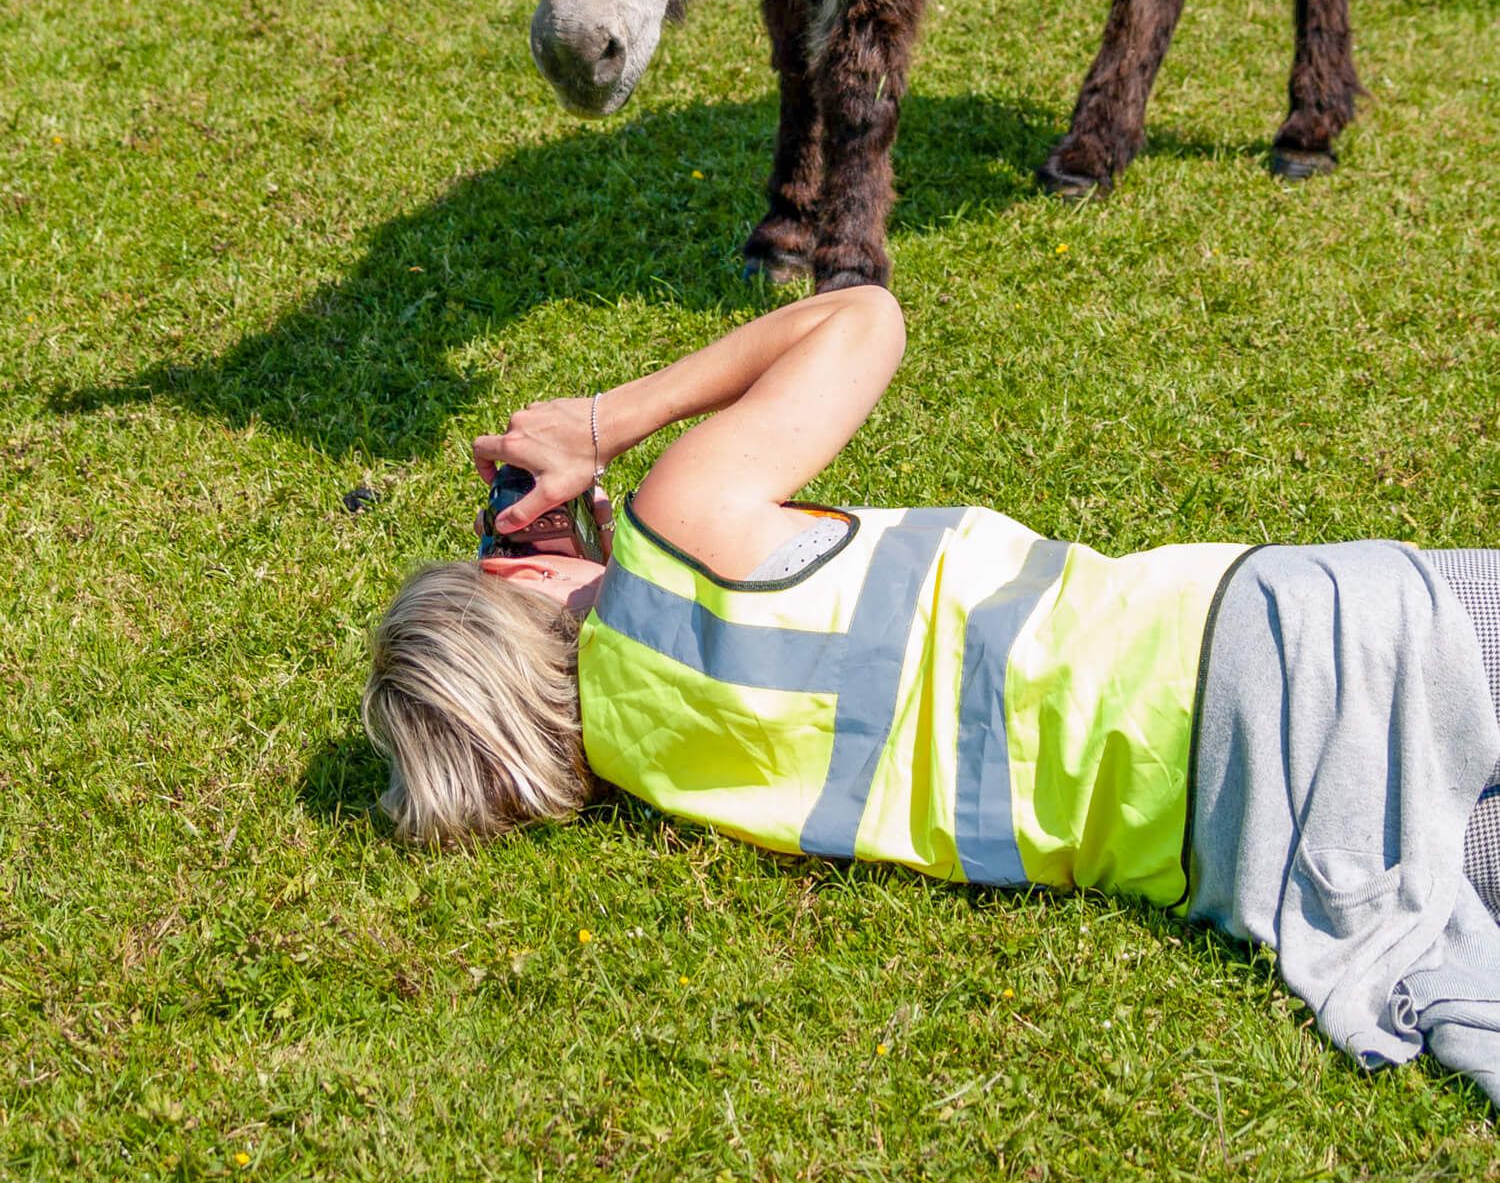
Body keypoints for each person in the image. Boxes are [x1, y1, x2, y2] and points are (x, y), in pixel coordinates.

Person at [362, 287, 1500, 1101]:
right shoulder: (675, 532)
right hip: (1284, 649)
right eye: (498, 550)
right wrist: (603, 425)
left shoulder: (664, 778)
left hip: (1250, 856)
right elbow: (864, 318)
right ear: (512, 589)